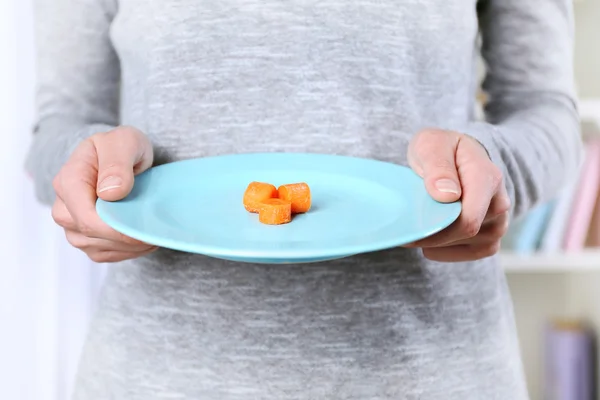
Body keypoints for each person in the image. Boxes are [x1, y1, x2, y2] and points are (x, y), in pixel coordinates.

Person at [26, 0, 581, 398]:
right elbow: (59, 127)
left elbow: (546, 111)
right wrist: (90, 167)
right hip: (157, 375)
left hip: (432, 371)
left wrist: (492, 163)